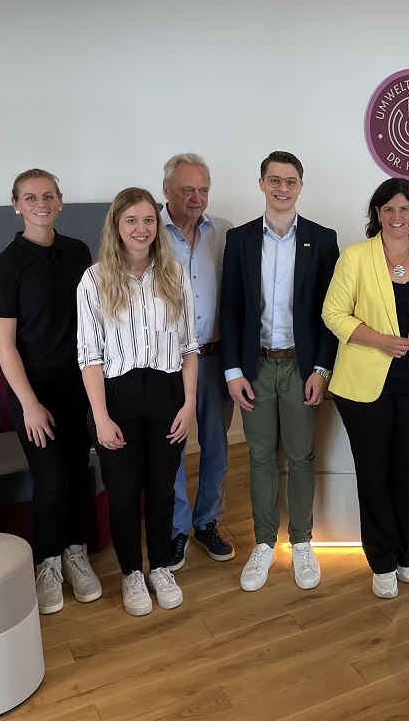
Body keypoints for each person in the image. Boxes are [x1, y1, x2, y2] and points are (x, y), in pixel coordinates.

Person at [322, 178, 409, 600]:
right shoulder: (356, 257)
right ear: (377, 213)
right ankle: (381, 561)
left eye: (405, 209)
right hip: (363, 384)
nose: (398, 217)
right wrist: (378, 340)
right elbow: (333, 313)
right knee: (374, 474)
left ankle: (405, 552)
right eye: (389, 209)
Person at [77, 187, 199, 616]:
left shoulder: (174, 273)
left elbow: (189, 347)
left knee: (163, 489)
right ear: (116, 225)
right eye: (131, 220)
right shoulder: (94, 280)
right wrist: (100, 418)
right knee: (125, 493)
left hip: (167, 392)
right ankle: (132, 572)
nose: (141, 229)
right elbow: (89, 357)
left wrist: (188, 406)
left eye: (148, 220)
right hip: (117, 396)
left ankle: (161, 565)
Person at [221, 151, 339, 592]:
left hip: (302, 367)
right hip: (254, 368)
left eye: (291, 181)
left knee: (301, 455)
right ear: (262, 184)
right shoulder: (241, 239)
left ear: (300, 187)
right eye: (275, 180)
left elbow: (333, 311)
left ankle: (302, 542)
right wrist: (233, 370)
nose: (283, 188)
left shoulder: (323, 239)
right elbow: (231, 307)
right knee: (258, 456)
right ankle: (264, 543)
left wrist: (323, 368)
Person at [0, 169, 103, 614]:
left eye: (48, 195)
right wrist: (29, 404)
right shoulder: (7, 264)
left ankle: (77, 554)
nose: (41, 203)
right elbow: (3, 344)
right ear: (16, 204)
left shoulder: (78, 252)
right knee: (51, 481)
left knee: (77, 473)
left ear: (60, 201)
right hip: (33, 391)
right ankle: (49, 562)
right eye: (30, 197)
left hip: (78, 384)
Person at [159, 153, 236, 571]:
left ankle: (207, 522)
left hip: (213, 355)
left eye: (203, 189)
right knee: (173, 448)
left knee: (217, 447)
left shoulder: (223, 232)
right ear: (167, 190)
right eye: (187, 189)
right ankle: (175, 530)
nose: (196, 197)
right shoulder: (147, 231)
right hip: (167, 364)